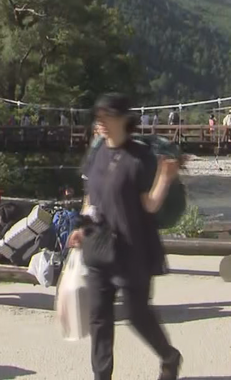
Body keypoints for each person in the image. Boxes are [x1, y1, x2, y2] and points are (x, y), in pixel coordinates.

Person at [69, 93, 183, 380]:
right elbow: (90, 198)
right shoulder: (96, 153)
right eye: (99, 117)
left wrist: (165, 179)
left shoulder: (140, 157)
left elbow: (150, 205)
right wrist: (81, 228)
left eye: (107, 116)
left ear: (123, 119)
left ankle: (169, 356)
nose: (101, 123)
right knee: (99, 319)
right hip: (98, 245)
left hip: (134, 249)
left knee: (137, 314)